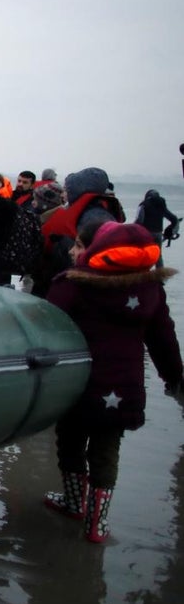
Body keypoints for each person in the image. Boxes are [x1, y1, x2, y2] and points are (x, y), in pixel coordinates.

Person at [44, 221, 182, 543]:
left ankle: (74, 501)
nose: (71, 251)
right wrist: (175, 378)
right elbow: (164, 341)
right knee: (107, 451)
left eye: (79, 246)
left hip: (76, 384)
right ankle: (98, 523)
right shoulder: (150, 291)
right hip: (123, 388)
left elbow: (44, 327)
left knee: (70, 442)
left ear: (97, 251)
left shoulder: (72, 285)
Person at [32, 167, 125, 298]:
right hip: (62, 272)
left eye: (66, 190)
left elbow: (101, 252)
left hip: (79, 278)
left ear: (77, 190)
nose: (63, 194)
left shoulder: (94, 215)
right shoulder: (84, 209)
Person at [134, 189, 180, 269]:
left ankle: (142, 273)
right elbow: (174, 219)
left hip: (146, 234)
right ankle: (160, 275)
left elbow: (139, 220)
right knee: (158, 255)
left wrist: (133, 230)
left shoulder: (143, 205)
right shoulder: (161, 206)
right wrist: (171, 231)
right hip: (158, 234)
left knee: (143, 253)